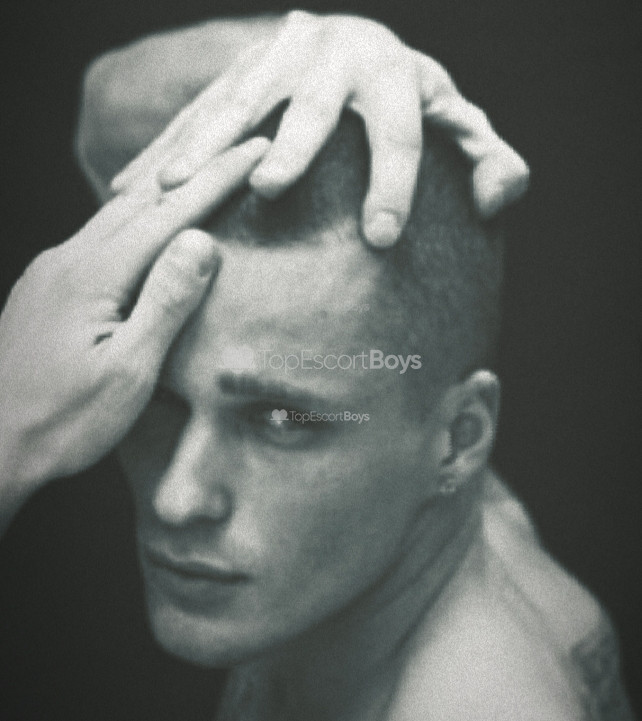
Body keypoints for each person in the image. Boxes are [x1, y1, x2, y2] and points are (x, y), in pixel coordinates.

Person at [0, 11, 633, 721]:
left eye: (281, 421)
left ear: (461, 439)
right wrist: (327, 48)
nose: (178, 498)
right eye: (156, 397)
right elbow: (109, 111)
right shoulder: (408, 450)